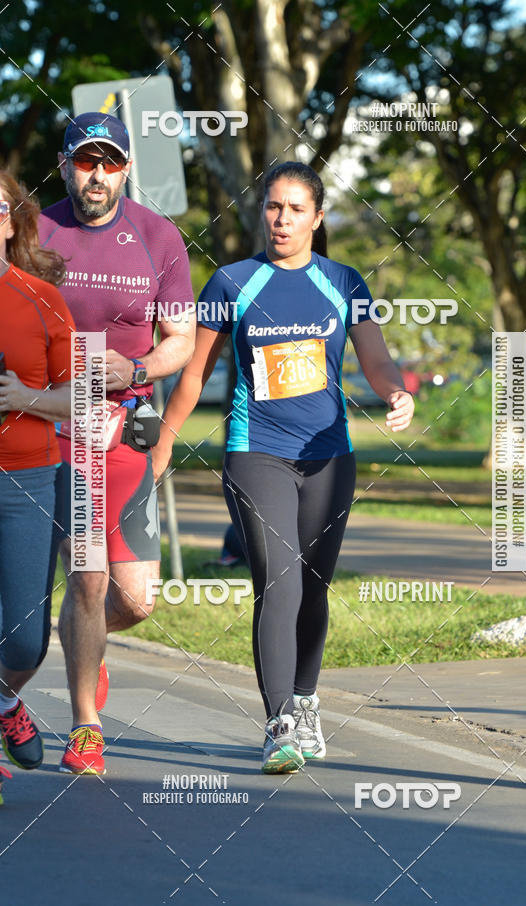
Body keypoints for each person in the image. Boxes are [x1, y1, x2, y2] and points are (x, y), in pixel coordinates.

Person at [152, 161, 415, 774]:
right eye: (274, 207)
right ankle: (279, 725)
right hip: (256, 451)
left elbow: (376, 358)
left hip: (328, 457)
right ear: (260, 213)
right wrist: (164, 443)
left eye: (297, 209)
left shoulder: (343, 283)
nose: (283, 219)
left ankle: (305, 699)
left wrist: (396, 392)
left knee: (314, 586)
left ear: (318, 218)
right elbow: (194, 375)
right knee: (281, 581)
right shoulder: (232, 283)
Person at [38, 112, 196, 775]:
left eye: (108, 162)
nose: (96, 175)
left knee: (134, 599)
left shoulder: (158, 238)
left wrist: (135, 370)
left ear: (126, 167)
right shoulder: (37, 231)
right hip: (56, 421)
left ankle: (85, 644)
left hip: (128, 425)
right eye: (84, 161)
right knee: (88, 578)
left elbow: (181, 340)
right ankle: (86, 728)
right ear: (67, 164)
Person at [0, 170, 75, 802]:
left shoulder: (41, 298)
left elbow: (78, 396)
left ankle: (4, 699)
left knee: (26, 638)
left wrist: (26, 396)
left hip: (28, 477)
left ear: (11, 219)